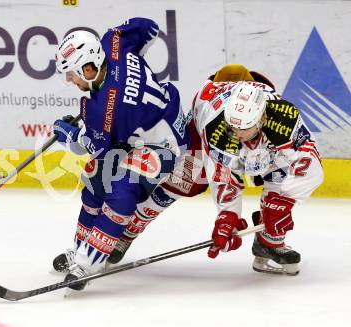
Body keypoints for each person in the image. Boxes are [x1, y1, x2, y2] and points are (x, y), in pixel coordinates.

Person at [52, 17, 191, 290]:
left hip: (164, 146)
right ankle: (81, 248)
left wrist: (70, 137)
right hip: (157, 119)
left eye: (72, 73)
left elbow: (97, 148)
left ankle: (87, 263)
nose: (69, 80)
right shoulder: (113, 43)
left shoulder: (105, 111)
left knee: (120, 191)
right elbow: (148, 27)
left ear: (89, 68)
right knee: (94, 182)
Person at [106, 64, 273, 264]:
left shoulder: (268, 104)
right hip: (200, 149)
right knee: (172, 190)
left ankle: (270, 240)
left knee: (276, 185)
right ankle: (126, 233)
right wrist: (228, 217)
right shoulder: (208, 100)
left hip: (241, 149)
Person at [190, 76, 324, 275]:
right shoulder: (217, 129)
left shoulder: (284, 118)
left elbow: (309, 162)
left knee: (281, 165)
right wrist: (227, 218)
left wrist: (283, 202)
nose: (235, 133)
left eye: (242, 128)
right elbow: (224, 178)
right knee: (181, 181)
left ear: (261, 119)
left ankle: (269, 242)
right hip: (203, 109)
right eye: (231, 127)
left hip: (260, 122)